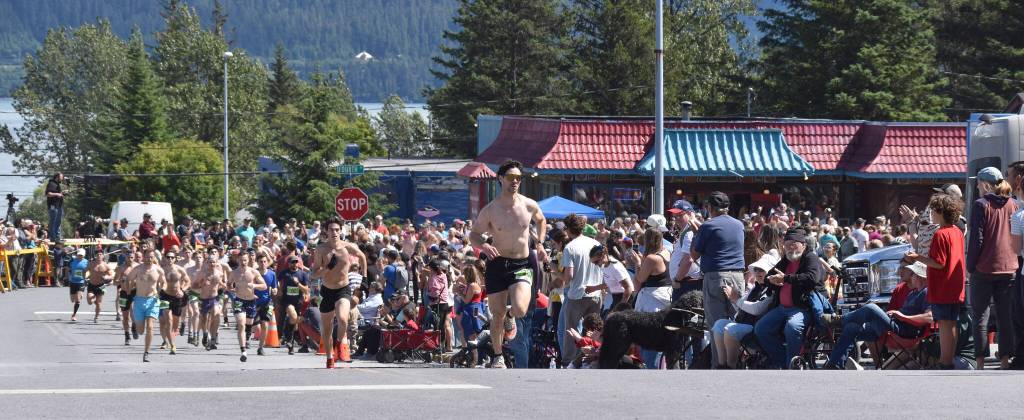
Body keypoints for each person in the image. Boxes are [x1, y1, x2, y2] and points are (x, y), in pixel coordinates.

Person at [469, 160, 548, 369]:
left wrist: (539, 243)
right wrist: (484, 245)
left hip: (521, 263)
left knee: (520, 308)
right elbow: (474, 235)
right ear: (500, 179)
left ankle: (511, 316)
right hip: (497, 264)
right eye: (511, 178)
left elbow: (541, 220)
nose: (515, 182)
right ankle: (498, 356)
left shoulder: (529, 204)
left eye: (518, 178)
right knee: (497, 314)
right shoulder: (490, 209)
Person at [824, 262, 932, 369]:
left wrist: (903, 317)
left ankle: (840, 320)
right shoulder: (912, 293)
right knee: (851, 327)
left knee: (871, 307)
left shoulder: (926, 292)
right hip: (896, 324)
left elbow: (929, 317)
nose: (911, 277)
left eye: (912, 274)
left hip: (905, 331)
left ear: (919, 277)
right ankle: (834, 364)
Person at [965, 167, 1018, 369]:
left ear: (985, 184)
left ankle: (980, 362)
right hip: (1009, 267)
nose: (977, 187)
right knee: (1005, 316)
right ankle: (1004, 360)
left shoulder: (981, 205)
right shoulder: (1013, 204)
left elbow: (976, 239)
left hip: (984, 268)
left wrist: (971, 265)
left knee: (980, 316)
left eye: (978, 183)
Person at [905, 194, 966, 369]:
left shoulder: (940, 234)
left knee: (944, 324)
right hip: (955, 285)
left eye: (933, 210)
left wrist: (917, 257)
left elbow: (938, 263)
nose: (931, 213)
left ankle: (945, 361)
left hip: (943, 286)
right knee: (951, 323)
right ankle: (948, 359)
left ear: (940, 211)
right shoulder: (957, 231)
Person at [753, 228, 826, 369]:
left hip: (803, 307)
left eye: (794, 243)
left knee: (792, 327)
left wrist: (786, 278)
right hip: (782, 308)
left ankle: (792, 363)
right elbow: (769, 275)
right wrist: (771, 280)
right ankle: (782, 360)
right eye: (787, 244)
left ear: (803, 245)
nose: (790, 247)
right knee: (761, 329)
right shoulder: (786, 259)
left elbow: (812, 278)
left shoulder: (811, 258)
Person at [690, 191, 745, 367]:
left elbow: (694, 254)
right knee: (737, 322)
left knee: (717, 325)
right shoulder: (739, 224)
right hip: (737, 275)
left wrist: (696, 233)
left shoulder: (708, 226)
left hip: (715, 276)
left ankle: (719, 364)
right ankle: (738, 362)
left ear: (710, 208)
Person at [311, 217, 366, 368]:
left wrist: (365, 278)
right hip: (327, 290)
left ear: (341, 231)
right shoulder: (321, 249)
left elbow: (362, 257)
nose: (334, 232)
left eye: (337, 229)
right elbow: (314, 274)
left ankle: (338, 344)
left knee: (343, 319)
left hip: (343, 288)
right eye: (331, 230)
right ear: (326, 231)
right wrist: (327, 268)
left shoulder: (348, 247)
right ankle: (329, 357)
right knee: (327, 329)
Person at [711, 252, 779, 369]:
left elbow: (758, 309)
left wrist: (736, 299)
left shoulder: (772, 290)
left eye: (761, 270)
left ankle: (731, 367)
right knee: (719, 324)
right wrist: (733, 298)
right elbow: (741, 306)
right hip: (744, 323)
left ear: (770, 272)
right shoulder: (755, 288)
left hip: (757, 326)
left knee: (730, 329)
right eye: (756, 270)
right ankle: (722, 365)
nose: (757, 273)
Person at [554, 213, 600, 365]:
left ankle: (569, 362)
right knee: (592, 331)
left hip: (576, 294)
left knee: (570, 330)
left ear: (567, 229)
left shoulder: (570, 247)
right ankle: (590, 358)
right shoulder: (595, 243)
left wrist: (555, 271)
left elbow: (569, 277)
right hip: (595, 293)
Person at [633, 227, 674, 368]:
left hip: (652, 301)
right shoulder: (667, 253)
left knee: (649, 339)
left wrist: (637, 263)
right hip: (666, 297)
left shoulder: (652, 258)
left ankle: (651, 369)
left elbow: (639, 279)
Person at [125, 247, 167, 362]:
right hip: (139, 300)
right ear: (144, 257)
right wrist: (128, 291)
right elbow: (128, 279)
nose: (149, 259)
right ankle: (135, 325)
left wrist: (161, 291)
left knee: (150, 326)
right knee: (141, 331)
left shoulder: (158, 270)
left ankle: (146, 352)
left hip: (152, 300)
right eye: (147, 256)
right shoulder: (137, 269)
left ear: (154, 257)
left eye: (151, 257)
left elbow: (164, 283)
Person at [228, 252, 266, 362]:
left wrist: (254, 285)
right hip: (239, 300)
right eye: (241, 260)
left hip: (251, 301)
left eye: (245, 260)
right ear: (238, 260)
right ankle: (243, 351)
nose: (243, 262)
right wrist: (231, 288)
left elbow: (264, 286)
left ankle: (248, 336)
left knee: (249, 324)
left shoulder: (253, 272)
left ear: (248, 260)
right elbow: (229, 284)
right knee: (241, 324)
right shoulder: (234, 273)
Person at [585, 244, 633, 315]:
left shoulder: (615, 267)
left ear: (603, 255)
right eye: (593, 263)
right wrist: (593, 288)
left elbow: (628, 288)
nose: (595, 264)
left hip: (625, 298)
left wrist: (619, 308)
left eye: (596, 262)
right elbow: (610, 283)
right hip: (616, 298)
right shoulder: (605, 265)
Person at [668, 200, 701, 300]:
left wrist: (677, 280)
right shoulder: (687, 231)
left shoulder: (689, 232)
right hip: (687, 282)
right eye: (675, 216)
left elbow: (688, 259)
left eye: (680, 215)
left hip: (687, 284)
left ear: (690, 214)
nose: (677, 219)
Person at [277, 255, 310, 355]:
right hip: (287, 301)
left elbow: (306, 290)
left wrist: (298, 284)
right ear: (289, 263)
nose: (294, 264)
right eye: (292, 262)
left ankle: (289, 342)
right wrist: (279, 290)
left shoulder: (303, 274)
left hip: (298, 302)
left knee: (294, 321)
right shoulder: (284, 273)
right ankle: (288, 337)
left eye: (296, 262)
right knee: (293, 316)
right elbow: (277, 281)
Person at [196, 247, 228, 350]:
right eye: (210, 262)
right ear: (207, 262)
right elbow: (195, 285)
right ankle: (206, 334)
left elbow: (222, 283)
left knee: (215, 313)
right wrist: (202, 283)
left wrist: (227, 287)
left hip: (214, 298)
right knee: (204, 319)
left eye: (213, 262)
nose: (212, 264)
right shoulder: (202, 273)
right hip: (204, 298)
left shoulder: (219, 273)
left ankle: (213, 338)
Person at [158, 251, 190, 355]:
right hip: (165, 296)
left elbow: (188, 281)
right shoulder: (161, 270)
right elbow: (158, 282)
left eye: (172, 257)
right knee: (168, 320)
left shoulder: (180, 269)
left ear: (175, 259)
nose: (170, 259)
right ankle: (172, 345)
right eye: (168, 257)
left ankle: (171, 337)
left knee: (175, 324)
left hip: (177, 297)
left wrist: (182, 290)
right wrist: (160, 289)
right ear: (165, 258)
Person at [115, 250, 142, 345]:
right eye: (128, 257)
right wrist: (121, 281)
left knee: (134, 312)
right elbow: (115, 282)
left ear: (134, 257)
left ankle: (134, 326)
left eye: (131, 257)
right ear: (125, 257)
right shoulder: (121, 268)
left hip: (135, 292)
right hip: (124, 293)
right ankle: (127, 335)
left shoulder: (138, 267)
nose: (130, 259)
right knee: (125, 317)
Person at [254, 253, 278, 356]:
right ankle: (246, 339)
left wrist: (275, 291)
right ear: (257, 263)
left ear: (267, 262)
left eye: (265, 262)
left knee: (264, 324)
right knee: (253, 324)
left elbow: (275, 287)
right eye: (261, 262)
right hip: (254, 301)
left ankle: (260, 347)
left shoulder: (272, 274)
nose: (263, 264)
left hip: (267, 302)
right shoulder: (254, 273)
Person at [85, 249, 114, 323]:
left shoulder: (105, 265)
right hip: (91, 284)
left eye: (100, 254)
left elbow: (112, 275)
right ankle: (94, 299)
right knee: (89, 301)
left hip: (101, 286)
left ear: (103, 256)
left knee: (99, 303)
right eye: (97, 254)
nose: (99, 256)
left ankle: (96, 317)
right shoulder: (91, 264)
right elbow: (84, 271)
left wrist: (107, 277)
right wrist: (84, 278)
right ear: (95, 256)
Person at [68, 248, 88, 321]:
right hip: (73, 282)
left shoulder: (86, 262)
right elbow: (68, 269)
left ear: (84, 255)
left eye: (81, 255)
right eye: (79, 255)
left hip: (81, 282)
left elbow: (90, 270)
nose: (80, 256)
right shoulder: (72, 261)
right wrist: (68, 277)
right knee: (72, 300)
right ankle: (78, 295)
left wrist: (88, 276)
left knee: (78, 300)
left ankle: (74, 315)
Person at [45, 172, 64, 242]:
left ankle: (57, 237)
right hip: (53, 206)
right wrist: (57, 194)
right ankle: (53, 238)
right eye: (61, 177)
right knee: (53, 222)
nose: (62, 179)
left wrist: (63, 193)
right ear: (57, 177)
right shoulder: (51, 184)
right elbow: (48, 194)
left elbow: (58, 194)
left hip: (59, 206)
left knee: (58, 222)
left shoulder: (57, 185)